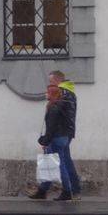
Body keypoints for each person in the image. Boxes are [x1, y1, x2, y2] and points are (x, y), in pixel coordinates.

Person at [28, 69, 80, 201]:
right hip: (67, 134)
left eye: (51, 82)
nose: (48, 89)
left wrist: (45, 139)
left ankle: (67, 191)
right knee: (65, 162)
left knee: (57, 163)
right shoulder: (71, 94)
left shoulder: (58, 96)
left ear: (57, 81)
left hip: (57, 135)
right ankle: (74, 190)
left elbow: (53, 122)